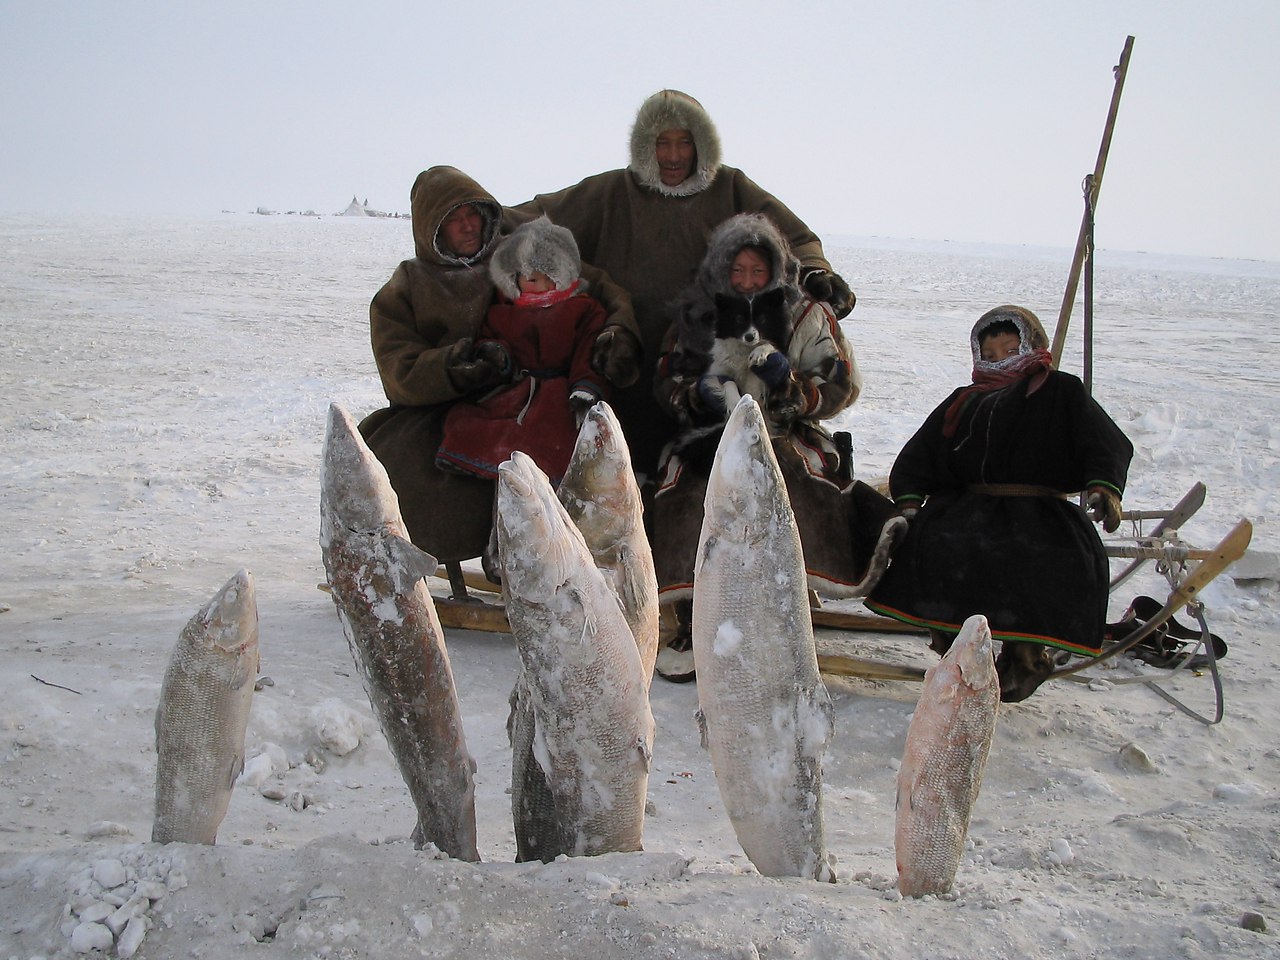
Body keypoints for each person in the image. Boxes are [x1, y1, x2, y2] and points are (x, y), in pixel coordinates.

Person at [506, 89, 856, 481]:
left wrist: (815, 271)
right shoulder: (609, 193)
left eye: (685, 143)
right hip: (628, 366)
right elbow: (532, 218)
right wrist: (474, 219)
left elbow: (795, 238)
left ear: (703, 145)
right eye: (662, 143)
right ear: (644, 147)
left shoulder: (731, 188)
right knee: (626, 473)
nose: (673, 156)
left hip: (705, 357)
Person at [650, 213, 902, 682]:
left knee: (791, 485)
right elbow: (667, 378)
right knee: (686, 491)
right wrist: (693, 393)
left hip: (787, 433)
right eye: (738, 271)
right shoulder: (694, 314)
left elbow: (840, 385)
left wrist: (790, 385)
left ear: (775, 270)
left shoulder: (807, 313)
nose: (747, 281)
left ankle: (782, 614)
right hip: (709, 435)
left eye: (757, 272)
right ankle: (692, 617)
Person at [358, 166, 638, 573]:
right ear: (430, 230)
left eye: (472, 213)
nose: (467, 226)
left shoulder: (524, 253)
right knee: (390, 464)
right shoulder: (406, 287)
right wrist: (454, 368)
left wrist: (617, 334)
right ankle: (410, 556)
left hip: (544, 392)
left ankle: (569, 558)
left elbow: (599, 290)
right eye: (452, 219)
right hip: (446, 404)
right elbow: (398, 369)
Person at [864, 305, 1135, 702]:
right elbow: (921, 454)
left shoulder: (1061, 390)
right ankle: (956, 652)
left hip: (1039, 513)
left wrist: (1104, 487)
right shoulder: (964, 399)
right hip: (965, 506)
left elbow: (1103, 441)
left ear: (1032, 345)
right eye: (988, 355)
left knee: (1036, 565)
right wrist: (910, 501)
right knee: (936, 550)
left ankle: (1025, 660)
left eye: (1009, 350)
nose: (998, 361)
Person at [435, 216, 611, 485]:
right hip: (515, 389)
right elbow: (490, 339)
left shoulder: (582, 309)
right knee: (471, 423)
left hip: (557, 394)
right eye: (529, 279)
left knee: (551, 439)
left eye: (547, 277)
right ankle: (482, 466)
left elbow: (588, 347)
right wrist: (494, 356)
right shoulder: (502, 312)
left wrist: (584, 385)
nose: (538, 285)